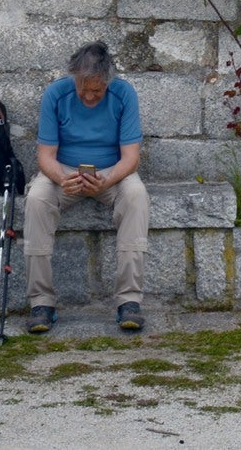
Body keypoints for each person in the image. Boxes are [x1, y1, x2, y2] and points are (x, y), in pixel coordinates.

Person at [24, 41, 149, 333]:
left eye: (97, 90)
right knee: (37, 198)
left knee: (136, 195)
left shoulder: (124, 93)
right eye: (84, 88)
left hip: (111, 173)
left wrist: (108, 179)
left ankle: (129, 302)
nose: (90, 96)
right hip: (64, 171)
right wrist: (60, 178)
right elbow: (45, 157)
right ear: (74, 76)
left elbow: (131, 158)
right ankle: (41, 303)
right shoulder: (56, 93)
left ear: (108, 81)